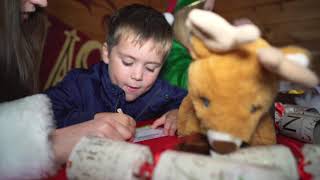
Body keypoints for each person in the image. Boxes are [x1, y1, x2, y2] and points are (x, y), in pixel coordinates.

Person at [45, 4, 187, 145]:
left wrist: (177, 113)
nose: (137, 76)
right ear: (107, 54)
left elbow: (190, 101)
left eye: (150, 68)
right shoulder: (80, 84)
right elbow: (41, 114)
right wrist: (92, 119)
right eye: (127, 62)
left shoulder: (160, 91)